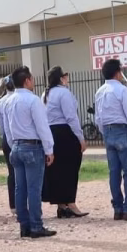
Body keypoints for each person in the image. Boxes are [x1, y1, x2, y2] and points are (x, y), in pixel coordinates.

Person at [6, 66, 56, 239]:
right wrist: (49, 149)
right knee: (34, 189)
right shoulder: (33, 100)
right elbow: (42, 126)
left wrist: (13, 144)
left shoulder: (8, 100)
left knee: (20, 188)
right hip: (32, 147)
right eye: (32, 79)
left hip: (16, 146)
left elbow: (7, 127)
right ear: (26, 80)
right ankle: (36, 225)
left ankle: (24, 225)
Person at [95, 59, 127, 222]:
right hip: (122, 131)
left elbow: (98, 118)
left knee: (114, 172)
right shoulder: (122, 90)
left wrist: (105, 132)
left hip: (108, 132)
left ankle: (117, 208)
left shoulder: (100, 92)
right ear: (117, 72)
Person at [42, 68, 87, 219]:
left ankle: (61, 205)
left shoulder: (46, 94)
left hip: (51, 132)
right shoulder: (64, 93)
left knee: (57, 170)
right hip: (65, 132)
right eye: (65, 76)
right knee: (70, 168)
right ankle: (71, 203)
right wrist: (80, 137)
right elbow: (71, 117)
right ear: (61, 78)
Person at [0, 77, 17, 216]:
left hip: (5, 139)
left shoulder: (1, 101)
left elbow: (1, 126)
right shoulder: (16, 99)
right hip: (17, 138)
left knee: (11, 173)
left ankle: (13, 205)